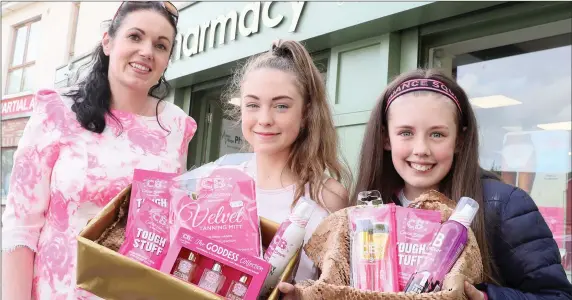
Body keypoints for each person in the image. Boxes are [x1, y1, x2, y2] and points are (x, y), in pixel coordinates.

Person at [1, 2, 197, 300]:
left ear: (167, 59)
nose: (147, 51)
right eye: (135, 36)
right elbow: (21, 225)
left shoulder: (177, 124)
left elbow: (172, 221)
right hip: (59, 290)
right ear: (108, 41)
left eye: (161, 45)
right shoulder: (58, 110)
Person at [353, 68, 572, 299]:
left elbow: (557, 296)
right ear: (386, 138)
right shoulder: (370, 210)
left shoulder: (504, 205)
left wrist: (483, 297)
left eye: (437, 135)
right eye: (406, 133)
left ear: (459, 140)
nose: (421, 150)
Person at [226, 39, 352, 297]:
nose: (264, 119)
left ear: (306, 113)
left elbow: (335, 290)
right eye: (252, 105)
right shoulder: (221, 181)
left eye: (281, 106)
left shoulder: (329, 197)